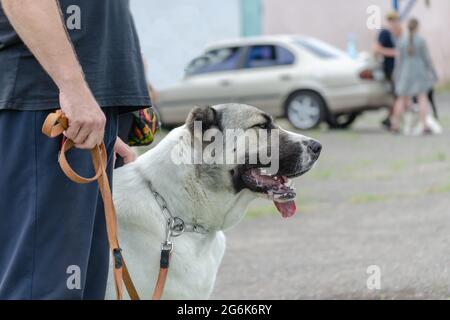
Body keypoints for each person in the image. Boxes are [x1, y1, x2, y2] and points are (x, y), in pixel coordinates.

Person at [0, 0, 150, 299]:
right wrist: (73, 91)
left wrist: (99, 122)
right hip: (45, 104)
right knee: (44, 287)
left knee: (78, 288)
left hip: (73, 113)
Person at [390, 18, 438, 134]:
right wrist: (433, 73)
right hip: (419, 72)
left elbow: (399, 61)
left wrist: (395, 75)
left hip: (405, 72)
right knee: (422, 98)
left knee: (400, 99)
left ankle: (395, 125)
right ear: (417, 27)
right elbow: (427, 59)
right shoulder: (421, 41)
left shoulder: (401, 41)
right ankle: (424, 126)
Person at [373, 12, 402, 129]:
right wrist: (393, 53)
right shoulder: (384, 33)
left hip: (399, 69)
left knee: (397, 95)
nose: (394, 23)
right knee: (398, 95)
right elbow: (376, 49)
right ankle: (390, 120)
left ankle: (389, 119)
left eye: (396, 21)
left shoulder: (397, 33)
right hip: (390, 68)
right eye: (392, 21)